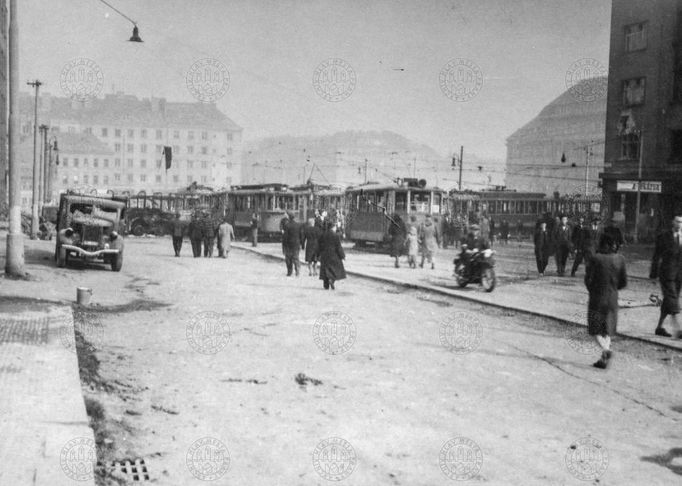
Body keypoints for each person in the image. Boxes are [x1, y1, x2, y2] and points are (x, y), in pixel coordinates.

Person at [584, 233, 627, 369]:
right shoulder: (620, 259)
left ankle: (606, 350)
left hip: (597, 298)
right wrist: (613, 289)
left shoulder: (595, 258)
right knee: (607, 330)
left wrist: (593, 290)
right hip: (613, 299)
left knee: (595, 330)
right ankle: (603, 360)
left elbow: (588, 279)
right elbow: (623, 282)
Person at [649, 215, 682, 339]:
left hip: (679, 275)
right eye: (677, 221)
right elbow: (656, 256)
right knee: (672, 299)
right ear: (672, 222)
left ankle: (659, 327)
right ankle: (678, 329)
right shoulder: (664, 237)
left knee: (669, 301)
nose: (679, 224)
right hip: (666, 274)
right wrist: (653, 274)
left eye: (681, 222)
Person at [318, 220, 346, 290]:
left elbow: (319, 245)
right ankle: (332, 280)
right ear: (333, 227)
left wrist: (318, 254)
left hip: (324, 255)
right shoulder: (335, 235)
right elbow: (338, 247)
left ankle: (326, 285)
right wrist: (342, 256)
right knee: (336, 268)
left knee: (325, 269)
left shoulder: (323, 234)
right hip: (334, 255)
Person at [282, 211, 304, 276]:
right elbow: (301, 235)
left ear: (289, 217)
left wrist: (284, 244)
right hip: (296, 244)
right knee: (296, 257)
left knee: (288, 258)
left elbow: (285, 236)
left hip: (288, 244)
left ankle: (289, 272)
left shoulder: (287, 225)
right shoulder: (298, 225)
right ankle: (297, 271)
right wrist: (301, 243)